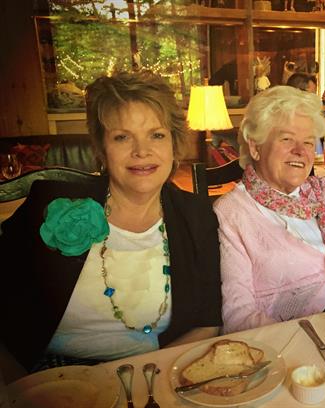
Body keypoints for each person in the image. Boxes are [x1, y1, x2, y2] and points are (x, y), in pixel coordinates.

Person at [0, 71, 222, 377]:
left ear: (174, 144)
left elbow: (207, 323)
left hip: (155, 371)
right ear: (102, 149)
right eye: (122, 137)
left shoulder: (198, 215)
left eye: (157, 135)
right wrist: (17, 388)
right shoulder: (49, 204)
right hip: (48, 377)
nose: (141, 151)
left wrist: (152, 381)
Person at [213, 86, 325, 334]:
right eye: (287, 139)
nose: (300, 151)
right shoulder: (232, 213)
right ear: (255, 147)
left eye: (309, 142)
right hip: (295, 342)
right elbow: (238, 315)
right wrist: (315, 340)